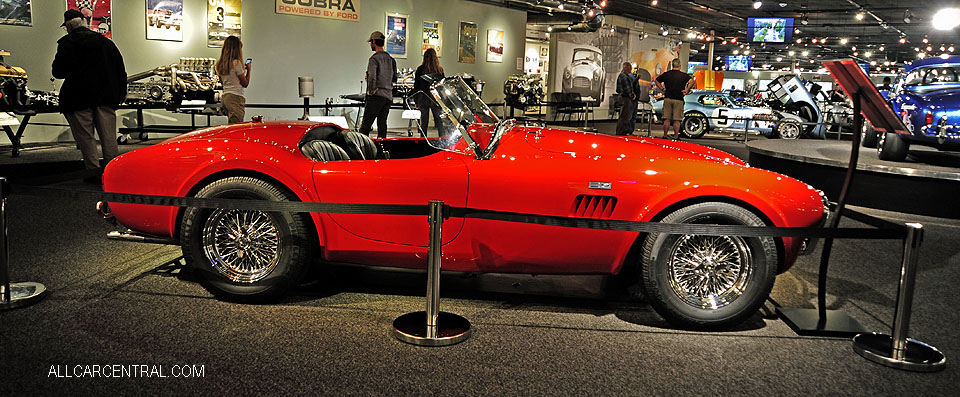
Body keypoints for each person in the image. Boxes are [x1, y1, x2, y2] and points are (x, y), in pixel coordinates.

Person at [52, 8, 126, 183]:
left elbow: (58, 72)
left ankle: (92, 174)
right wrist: (121, 93)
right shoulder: (106, 42)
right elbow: (120, 70)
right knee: (109, 138)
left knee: (86, 138)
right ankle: (113, 173)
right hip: (106, 97)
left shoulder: (67, 43)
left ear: (69, 26)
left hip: (78, 98)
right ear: (84, 22)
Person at [359, 31, 397, 139]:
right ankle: (382, 149)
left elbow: (372, 77)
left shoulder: (374, 59)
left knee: (366, 126)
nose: (370, 45)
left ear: (374, 41)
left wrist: (371, 91)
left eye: (371, 42)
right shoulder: (391, 59)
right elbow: (395, 78)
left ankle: (362, 149)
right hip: (388, 96)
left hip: (377, 96)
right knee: (382, 124)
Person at [655, 58, 695, 140]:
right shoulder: (684, 75)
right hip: (679, 99)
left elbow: (657, 81)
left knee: (666, 119)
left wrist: (662, 89)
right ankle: (676, 136)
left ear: (672, 65)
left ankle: (665, 135)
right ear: (679, 65)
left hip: (668, 98)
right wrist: (687, 89)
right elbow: (692, 81)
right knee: (677, 120)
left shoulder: (667, 74)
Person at [215, 36, 250, 124]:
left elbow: (222, 83)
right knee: (237, 127)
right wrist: (249, 70)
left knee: (231, 124)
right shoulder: (236, 63)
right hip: (235, 97)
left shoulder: (220, 64)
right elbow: (245, 83)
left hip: (225, 97)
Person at [413, 48, 445, 137]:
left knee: (424, 122)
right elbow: (442, 86)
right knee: (439, 122)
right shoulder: (439, 70)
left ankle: (423, 140)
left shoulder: (420, 69)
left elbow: (417, 86)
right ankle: (442, 139)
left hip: (423, 98)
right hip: (435, 98)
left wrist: (416, 101)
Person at [615, 62, 637, 135]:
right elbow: (627, 89)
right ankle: (622, 131)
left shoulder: (622, 76)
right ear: (628, 68)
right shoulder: (625, 77)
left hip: (622, 97)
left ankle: (621, 131)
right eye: (630, 68)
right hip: (625, 98)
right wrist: (632, 95)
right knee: (625, 116)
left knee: (623, 115)